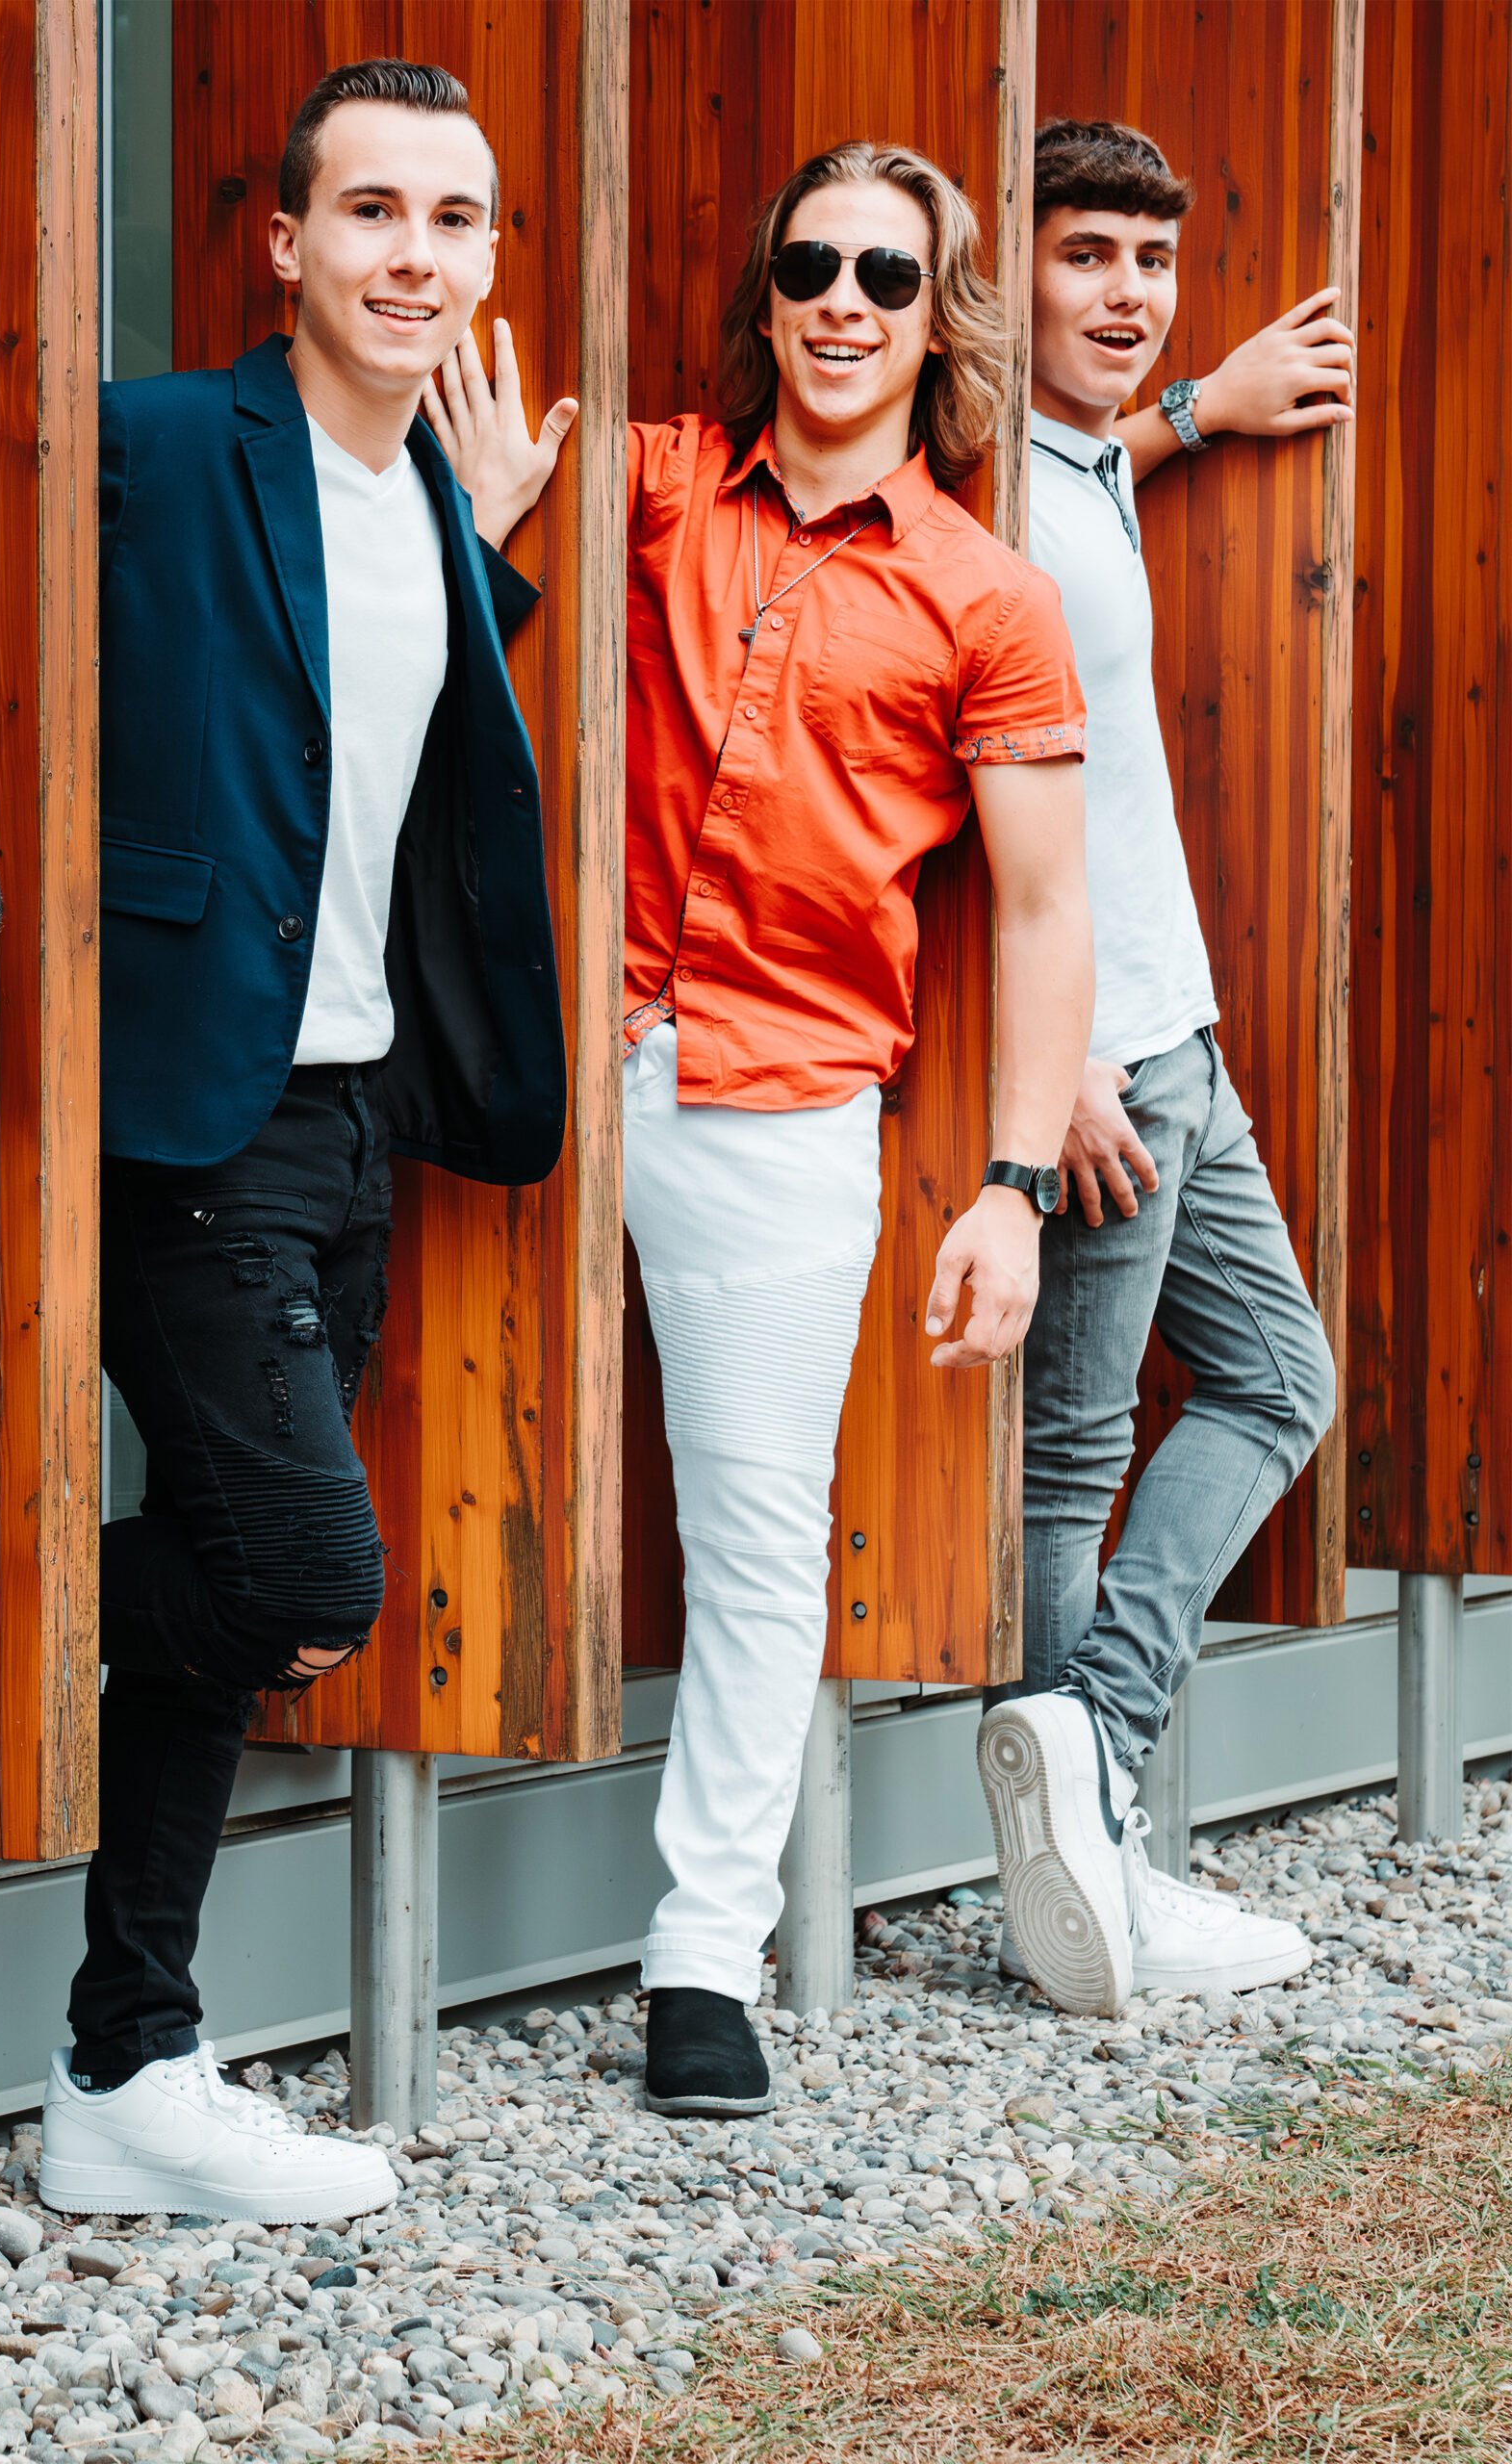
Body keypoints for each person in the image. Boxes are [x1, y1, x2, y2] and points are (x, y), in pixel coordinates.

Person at [38, 59, 576, 2220]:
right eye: (370, 212)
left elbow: (348, 730)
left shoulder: (436, 506)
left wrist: (491, 547)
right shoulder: (154, 443)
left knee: (230, 1599)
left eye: (453, 221)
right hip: (188, 1106)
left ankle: (124, 2065)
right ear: (282, 242)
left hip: (351, 1111)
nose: (412, 257)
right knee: (294, 1573)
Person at [625, 142, 1094, 2116]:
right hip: (549, 1074)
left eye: (886, 277)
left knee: (752, 1537)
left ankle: (698, 1953)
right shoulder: (651, 483)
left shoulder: (988, 594)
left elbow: (1044, 909)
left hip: (781, 1097)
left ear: (937, 320)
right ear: (767, 296)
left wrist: (1009, 1184)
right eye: (811, 265)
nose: (842, 302)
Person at [977, 117, 1346, 2016]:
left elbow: (1099, 447)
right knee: (1073, 1458)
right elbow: (947, 814)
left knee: (1278, 1378)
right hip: (1100, 1063)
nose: (1127, 293)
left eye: (1149, 258)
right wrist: (1045, 1067)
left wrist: (1199, 406)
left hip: (1178, 1036)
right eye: (1085, 255)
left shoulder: (1075, 463)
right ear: (1007, 275)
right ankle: (1087, 1842)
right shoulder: (986, 500)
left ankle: (1085, 1786)